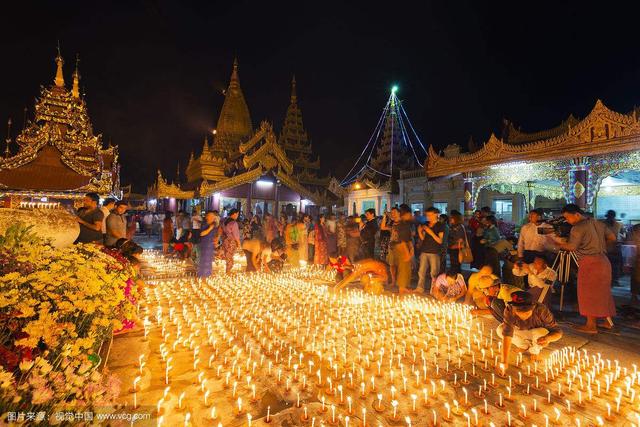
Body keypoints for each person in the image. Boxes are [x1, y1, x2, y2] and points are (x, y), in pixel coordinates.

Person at [552, 204, 616, 334]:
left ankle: (591, 325)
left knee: (588, 293)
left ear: (577, 214)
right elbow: (613, 238)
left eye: (568, 217)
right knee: (603, 292)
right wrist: (599, 246)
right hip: (603, 261)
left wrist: (558, 244)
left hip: (590, 263)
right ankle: (606, 322)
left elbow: (572, 247)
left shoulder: (578, 227)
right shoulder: (598, 223)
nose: (567, 221)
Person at [498, 291, 563, 363]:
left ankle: (534, 351)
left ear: (533, 308)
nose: (523, 316)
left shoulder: (541, 310)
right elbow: (507, 334)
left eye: (527, 313)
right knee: (500, 329)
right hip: (521, 331)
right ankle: (523, 345)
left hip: (537, 335)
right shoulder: (509, 310)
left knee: (541, 332)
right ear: (514, 310)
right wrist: (504, 361)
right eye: (519, 313)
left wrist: (547, 339)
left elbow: (558, 332)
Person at [416, 207, 445, 292]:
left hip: (434, 251)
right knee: (421, 271)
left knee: (434, 272)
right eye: (427, 215)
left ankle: (434, 289)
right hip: (424, 250)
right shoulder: (426, 223)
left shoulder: (440, 225)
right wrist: (419, 231)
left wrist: (431, 232)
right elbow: (423, 238)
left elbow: (440, 241)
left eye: (430, 215)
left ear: (436, 214)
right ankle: (420, 287)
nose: (428, 217)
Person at [392, 204, 414, 294]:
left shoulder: (403, 224)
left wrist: (411, 249)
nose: (411, 216)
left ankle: (403, 286)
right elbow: (402, 240)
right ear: (404, 214)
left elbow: (408, 239)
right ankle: (402, 287)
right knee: (404, 266)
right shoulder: (402, 225)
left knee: (406, 267)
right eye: (409, 214)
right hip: (401, 246)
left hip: (403, 246)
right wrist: (407, 253)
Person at [602, 209, 623, 287]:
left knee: (612, 266)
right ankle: (613, 280)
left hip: (609, 248)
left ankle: (612, 280)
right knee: (614, 266)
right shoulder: (617, 224)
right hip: (612, 248)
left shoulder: (603, 224)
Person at [197, 211, 218, 278]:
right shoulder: (205, 224)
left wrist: (216, 239)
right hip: (204, 243)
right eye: (210, 216)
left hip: (210, 244)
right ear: (207, 217)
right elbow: (201, 234)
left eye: (213, 216)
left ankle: (207, 275)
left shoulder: (214, 224)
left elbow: (215, 234)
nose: (212, 217)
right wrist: (209, 229)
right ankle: (202, 275)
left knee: (209, 260)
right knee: (203, 259)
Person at [221, 209, 241, 274]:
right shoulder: (234, 223)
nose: (237, 216)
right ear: (234, 214)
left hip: (225, 241)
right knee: (230, 257)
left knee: (228, 257)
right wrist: (239, 243)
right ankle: (228, 272)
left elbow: (222, 230)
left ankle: (227, 271)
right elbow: (236, 235)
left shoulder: (225, 221)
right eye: (237, 214)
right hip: (231, 242)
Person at [629, 224, 640, 305]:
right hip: (636, 260)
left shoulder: (634, 232)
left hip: (635, 260)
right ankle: (634, 297)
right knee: (635, 279)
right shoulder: (634, 233)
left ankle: (634, 297)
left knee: (635, 279)